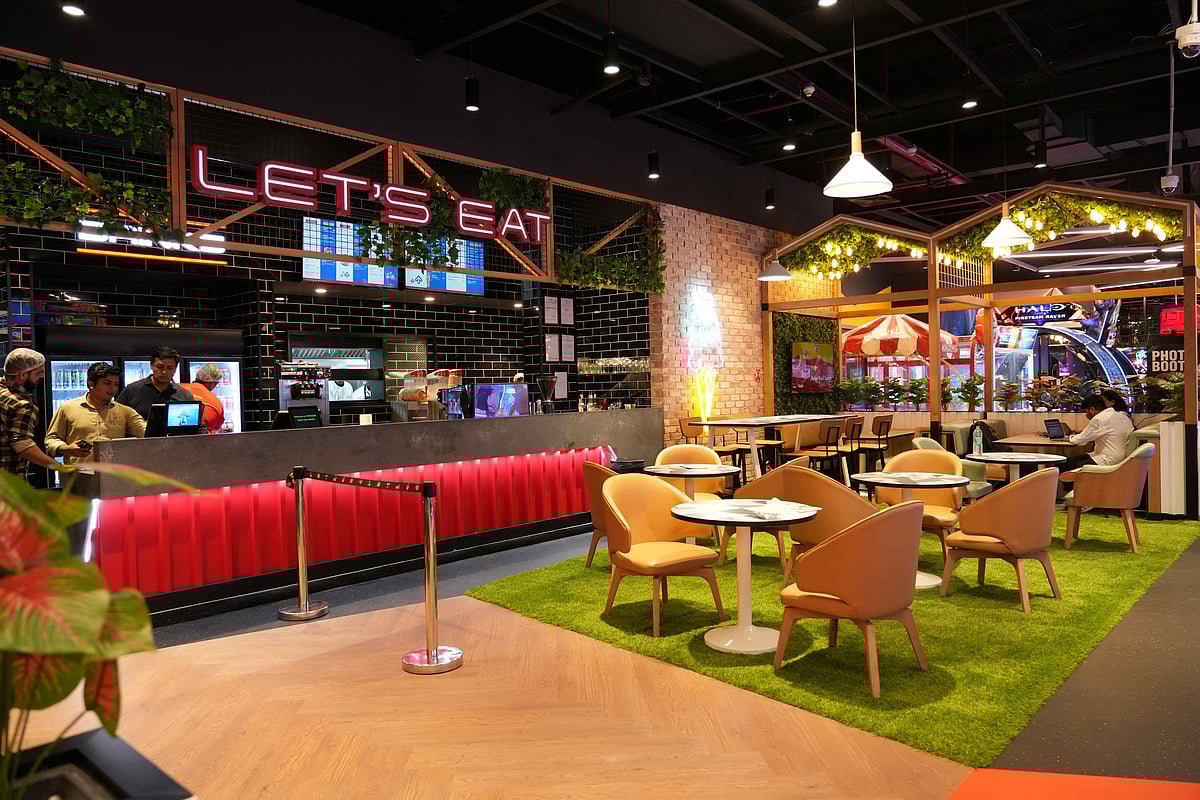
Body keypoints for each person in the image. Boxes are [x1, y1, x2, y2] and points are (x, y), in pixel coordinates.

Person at [45, 362, 146, 465]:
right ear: (91, 384)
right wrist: (66, 449)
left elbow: (148, 433)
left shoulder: (125, 411)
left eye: (116, 384)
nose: (113, 389)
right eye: (107, 383)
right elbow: (51, 439)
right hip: (78, 472)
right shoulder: (67, 408)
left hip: (114, 472)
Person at [0, 348, 57, 480]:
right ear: (22, 375)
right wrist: (56, 466)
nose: (42, 377)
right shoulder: (22, 404)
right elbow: (22, 444)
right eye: (38, 373)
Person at [1055, 394, 1134, 473]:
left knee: (1063, 465)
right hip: (1123, 459)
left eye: (1086, 412)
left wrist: (1069, 438)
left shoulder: (1099, 418)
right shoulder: (1122, 416)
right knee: (1070, 460)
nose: (1086, 415)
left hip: (1108, 460)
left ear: (1092, 409)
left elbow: (1080, 440)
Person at [116, 346, 193, 420]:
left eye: (170, 368)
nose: (164, 372)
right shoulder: (131, 390)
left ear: (175, 369)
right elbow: (117, 418)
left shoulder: (185, 395)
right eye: (160, 367)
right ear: (151, 365)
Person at [182, 364, 226, 433]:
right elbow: (217, 426)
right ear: (212, 383)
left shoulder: (179, 389)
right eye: (216, 383)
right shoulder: (216, 403)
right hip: (203, 438)